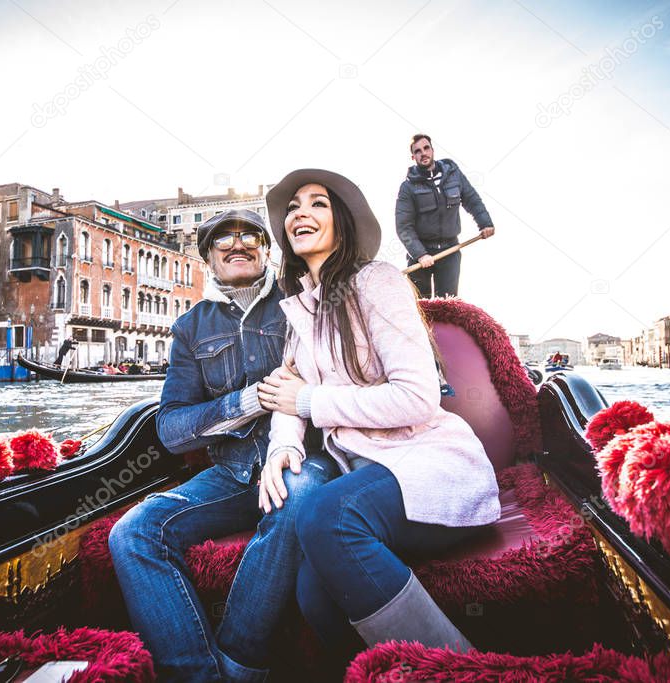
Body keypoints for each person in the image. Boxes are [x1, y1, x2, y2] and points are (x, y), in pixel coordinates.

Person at [257, 169, 500, 658]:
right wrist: (283, 445)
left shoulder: (378, 281)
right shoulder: (302, 308)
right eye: (294, 207)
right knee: (312, 588)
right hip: (375, 478)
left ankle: (458, 671)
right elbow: (288, 390)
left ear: (342, 223)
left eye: (318, 203)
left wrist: (309, 403)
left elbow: (416, 397)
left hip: (432, 467)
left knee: (326, 514)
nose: (301, 213)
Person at [108, 209, 338, 683]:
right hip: (231, 478)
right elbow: (172, 430)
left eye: (250, 236)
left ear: (267, 249)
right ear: (208, 257)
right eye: (223, 239)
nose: (238, 244)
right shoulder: (190, 328)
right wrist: (249, 401)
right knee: (132, 533)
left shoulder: (304, 302)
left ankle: (239, 664)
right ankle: (199, 675)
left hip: (306, 462)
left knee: (296, 497)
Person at [395, 134, 495, 298]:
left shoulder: (453, 175)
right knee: (421, 309)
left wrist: (485, 224)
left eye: (426, 148)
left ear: (433, 150)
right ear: (413, 157)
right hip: (421, 256)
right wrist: (420, 254)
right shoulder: (408, 187)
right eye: (418, 151)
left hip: (450, 251)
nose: (423, 153)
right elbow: (403, 226)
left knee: (449, 307)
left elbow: (472, 200)